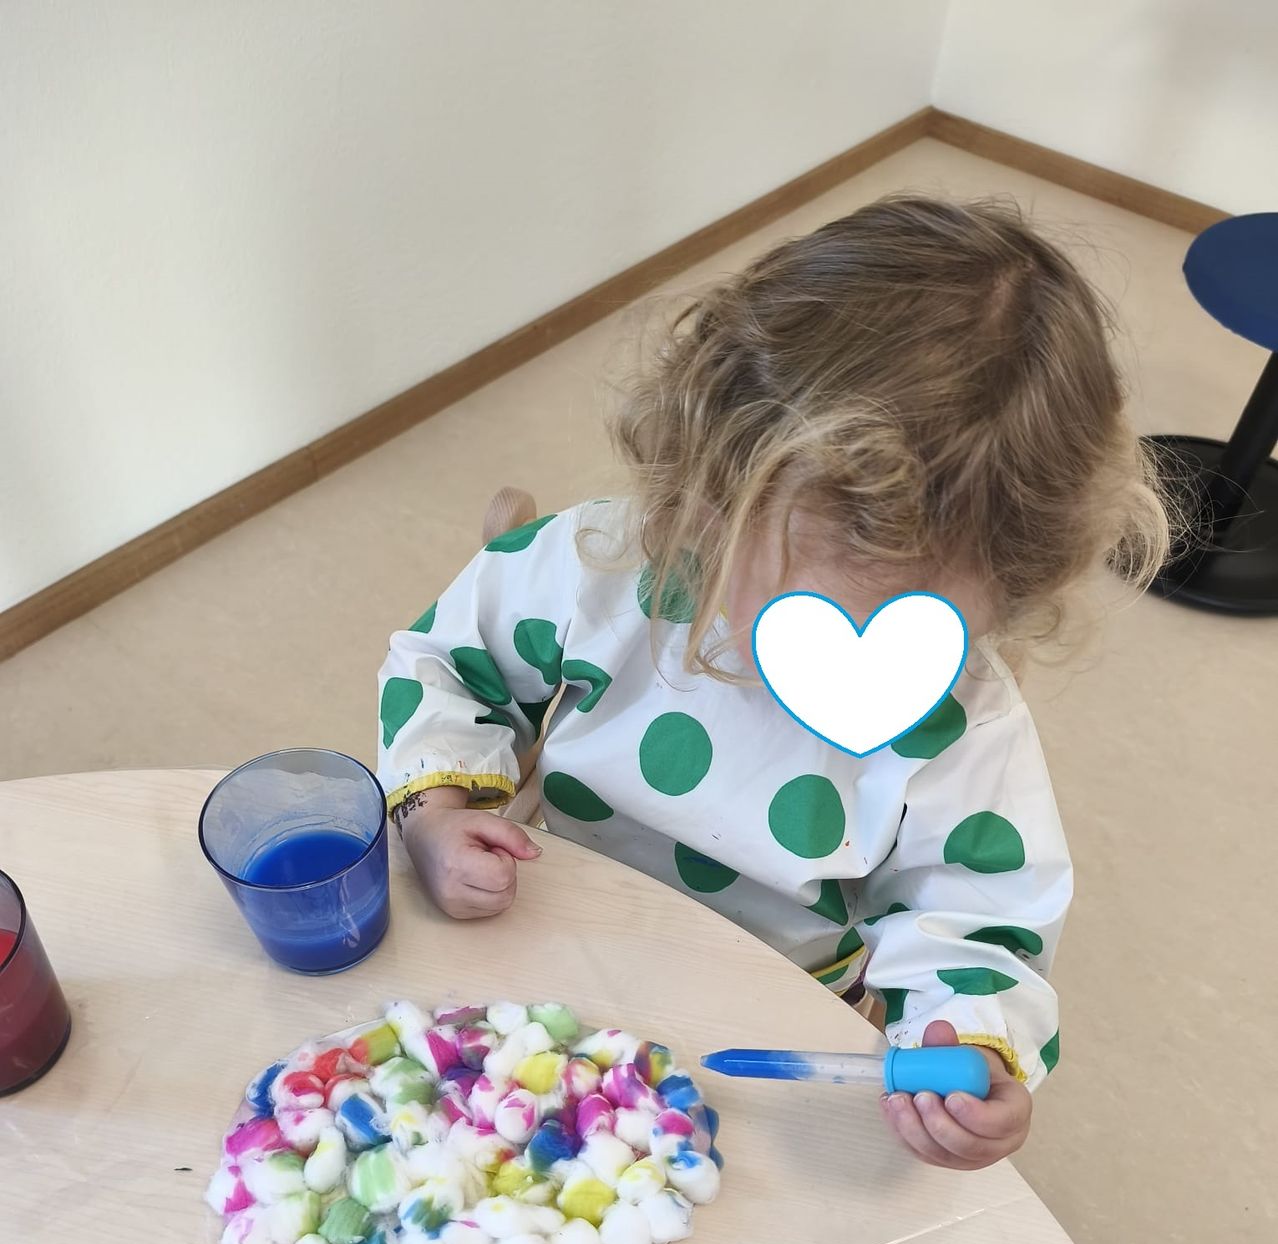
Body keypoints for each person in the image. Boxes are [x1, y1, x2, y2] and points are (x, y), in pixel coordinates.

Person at [376, 196, 1171, 1171]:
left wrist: (967, 1047)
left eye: (904, 630)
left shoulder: (968, 731)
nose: (833, 672)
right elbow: (446, 663)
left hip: (778, 1021)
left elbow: (976, 916)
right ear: (699, 500)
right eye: (788, 613)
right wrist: (439, 811)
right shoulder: (595, 569)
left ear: (1005, 591)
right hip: (544, 929)